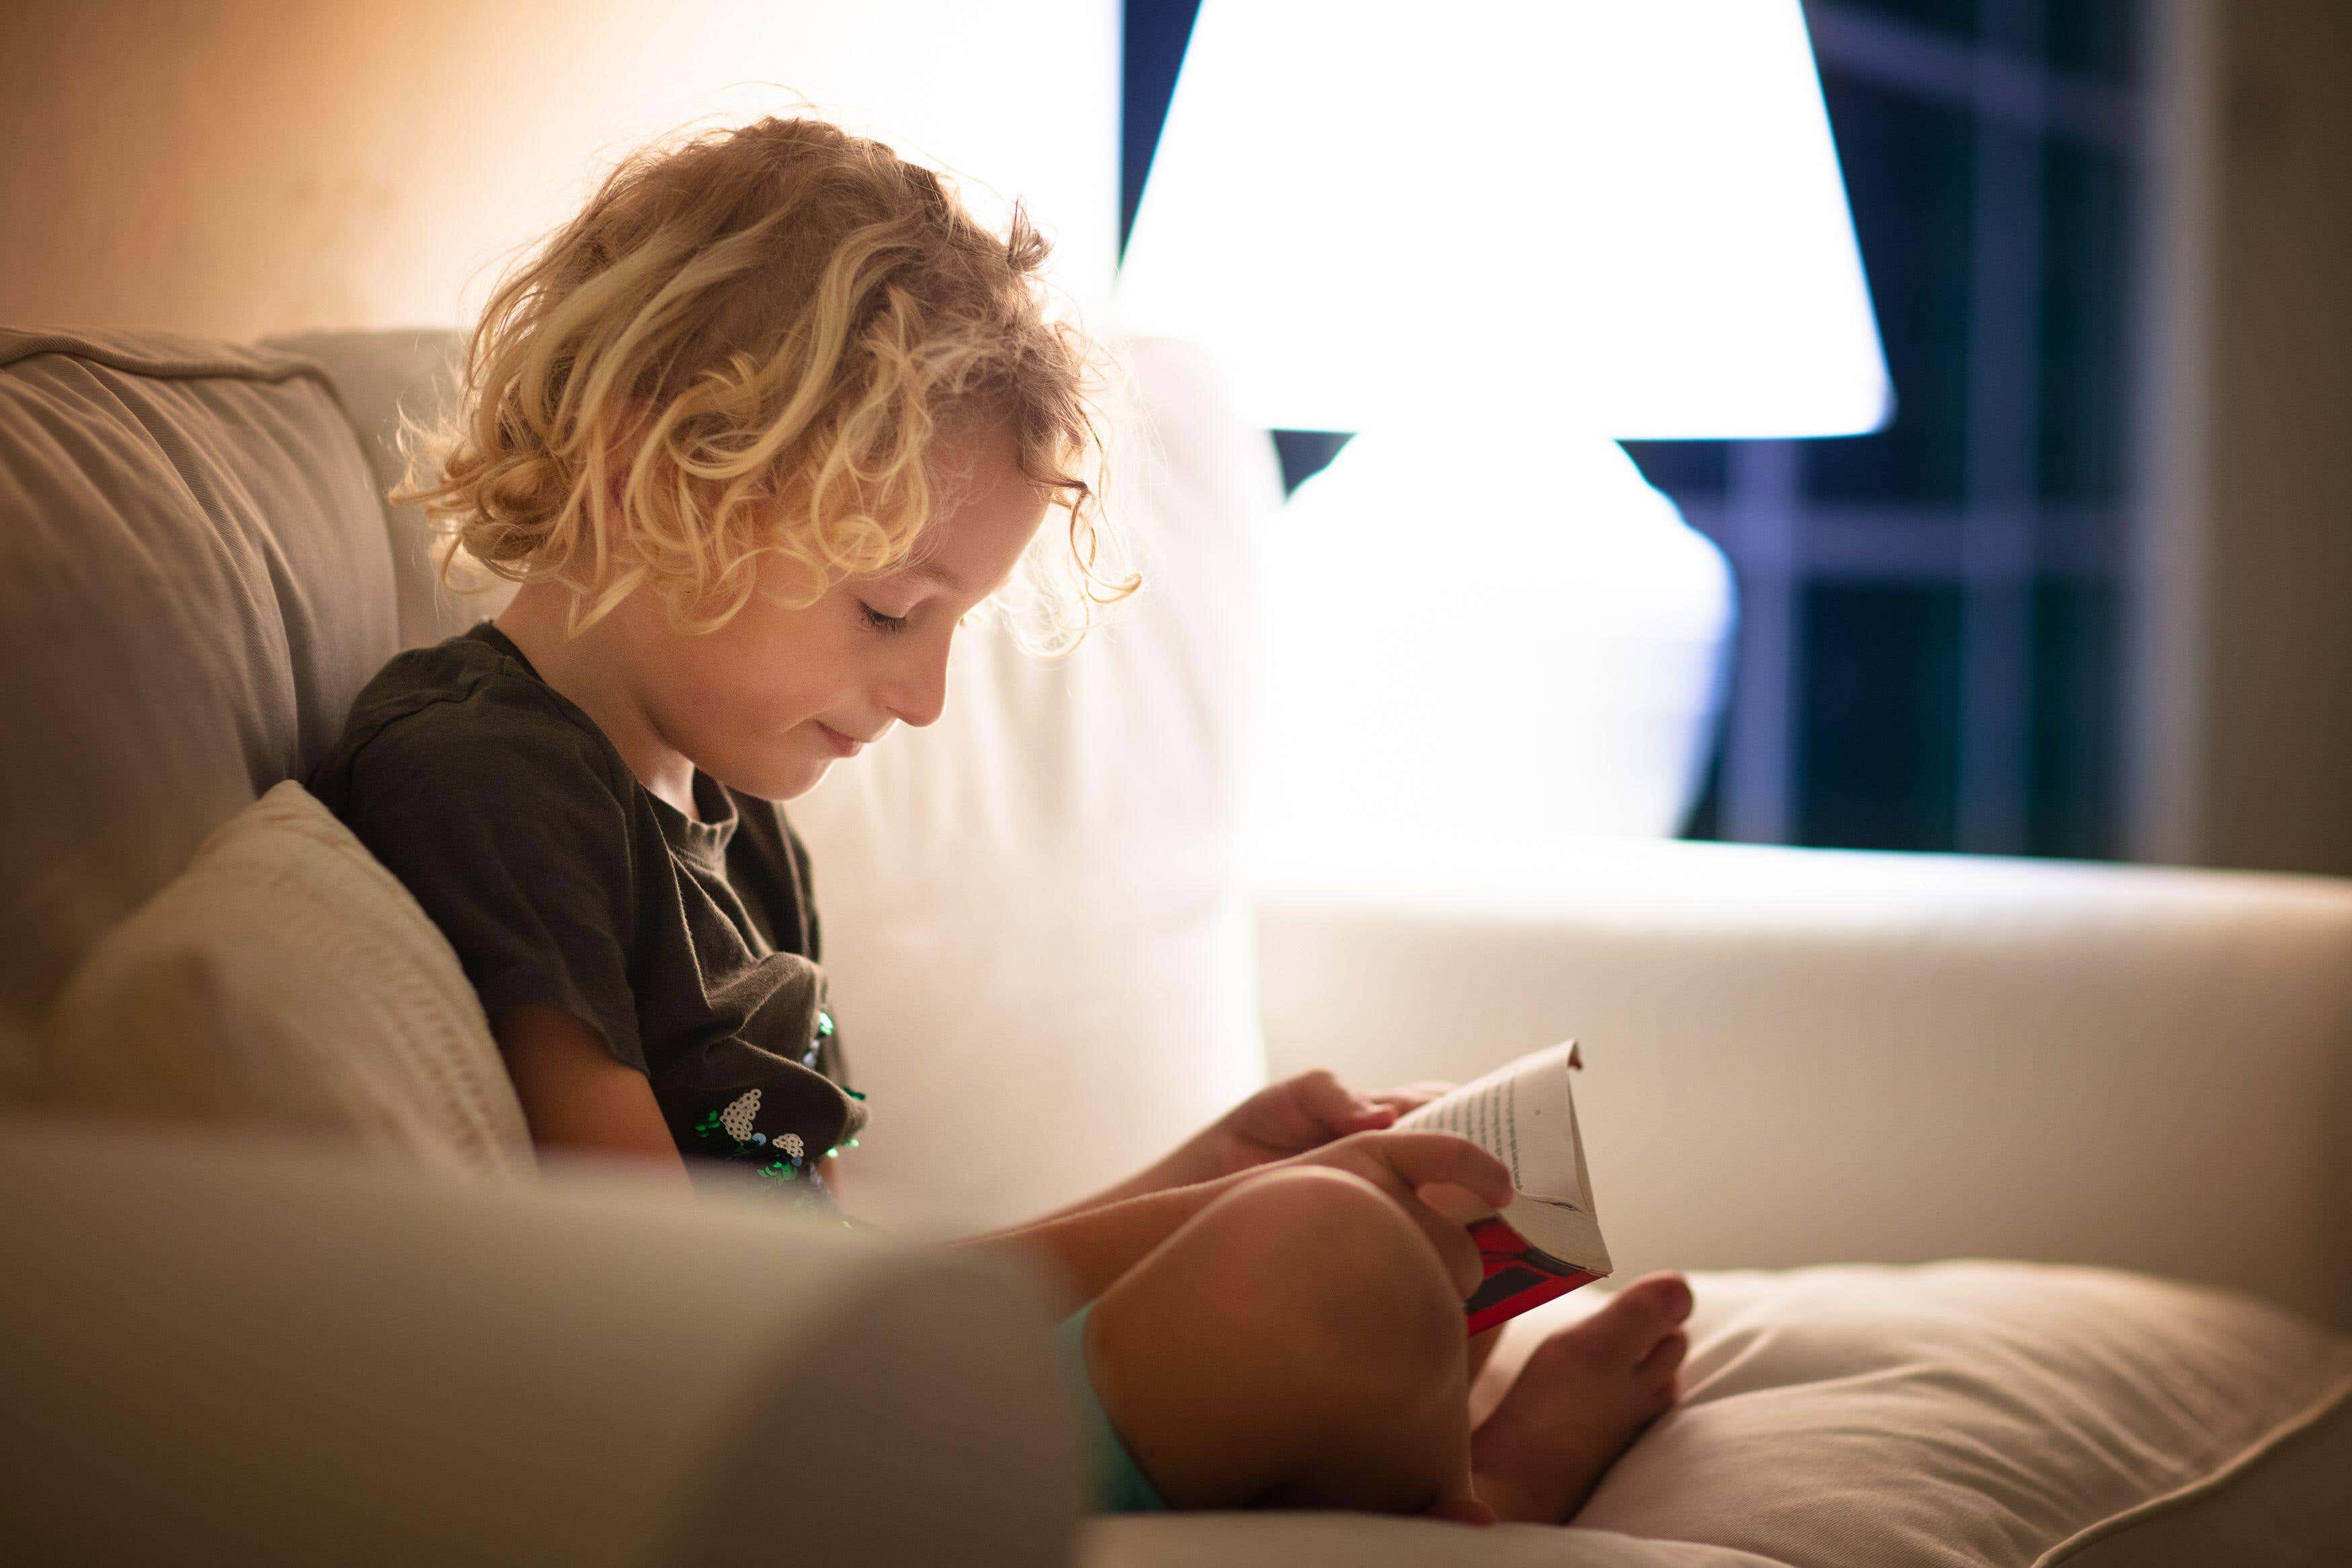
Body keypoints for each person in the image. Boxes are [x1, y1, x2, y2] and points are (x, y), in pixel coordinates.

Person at [311, 114, 1691, 1524]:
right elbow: (690, 1318)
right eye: (894, 612)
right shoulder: (491, 783)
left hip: (857, 1387)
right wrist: (1229, 1224)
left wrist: (1202, 1173)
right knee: (1332, 1256)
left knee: (1345, 1243)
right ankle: (1493, 1495)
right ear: (653, 470)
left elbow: (850, 1276)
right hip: (770, 1472)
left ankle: (1406, 1401)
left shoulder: (729, 821)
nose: (922, 698)